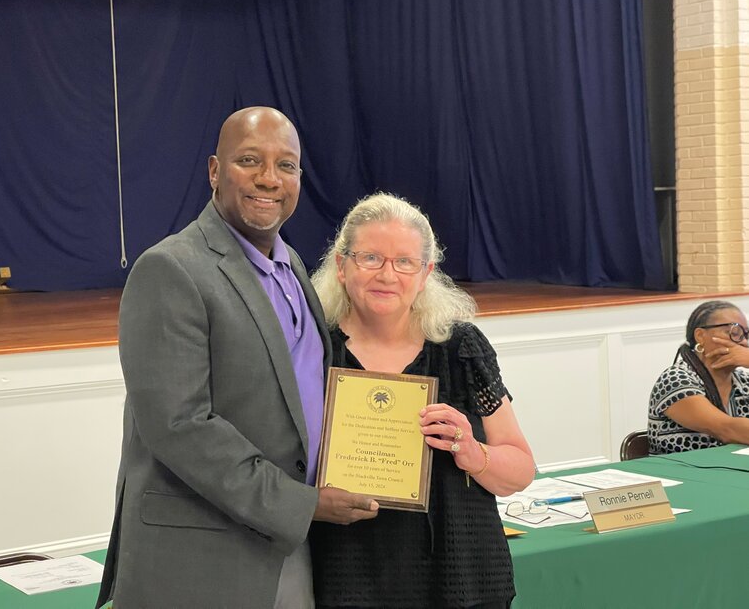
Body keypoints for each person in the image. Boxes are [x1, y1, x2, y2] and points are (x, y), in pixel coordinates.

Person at [96, 107, 378, 609]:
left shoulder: (291, 264)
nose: (269, 179)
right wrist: (303, 504)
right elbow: (180, 426)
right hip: (200, 559)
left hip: (285, 545)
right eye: (250, 160)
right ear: (214, 171)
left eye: (286, 165)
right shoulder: (171, 269)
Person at [309, 192, 536, 609]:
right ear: (341, 266)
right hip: (347, 572)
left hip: (460, 575)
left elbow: (520, 471)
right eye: (370, 258)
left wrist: (472, 451)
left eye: (404, 262)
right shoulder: (313, 350)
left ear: (425, 272)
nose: (387, 274)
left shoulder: (460, 347)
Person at [648, 300, 749, 454]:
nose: (744, 342)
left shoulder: (743, 382)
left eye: (746, 335)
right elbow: (727, 430)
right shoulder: (676, 379)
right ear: (700, 336)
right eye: (735, 333)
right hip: (681, 473)